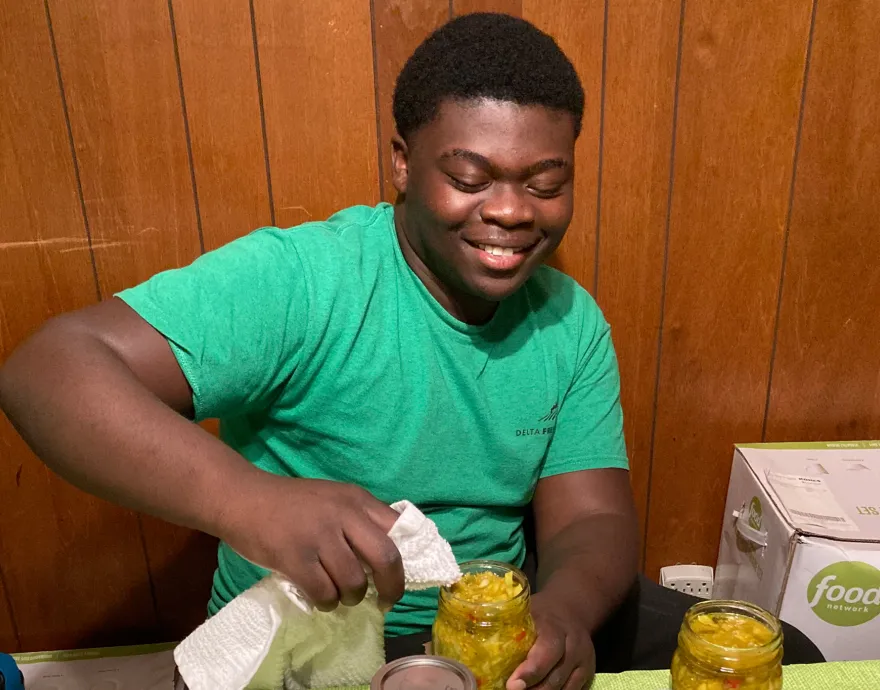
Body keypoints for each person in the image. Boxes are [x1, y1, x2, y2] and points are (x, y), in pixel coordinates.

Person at [0, 12, 822, 689]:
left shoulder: (569, 322)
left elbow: (594, 516)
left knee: (791, 654)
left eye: (545, 183)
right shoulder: (305, 278)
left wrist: (564, 614)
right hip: (308, 633)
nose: (510, 211)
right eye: (469, 176)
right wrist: (252, 501)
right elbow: (46, 372)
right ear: (401, 161)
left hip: (492, 627)